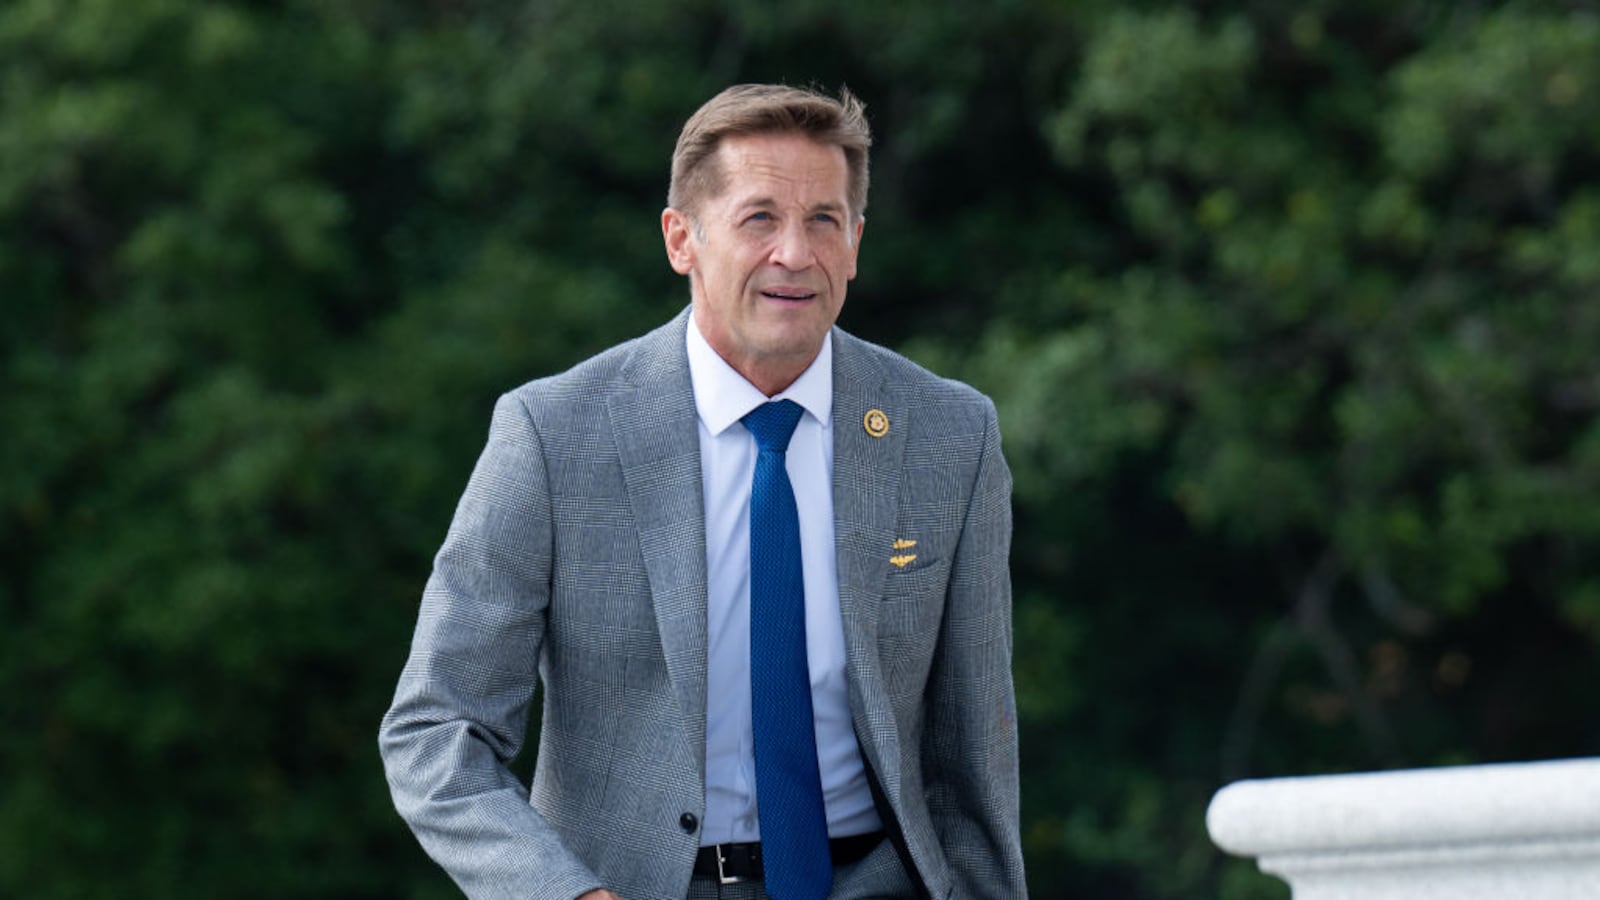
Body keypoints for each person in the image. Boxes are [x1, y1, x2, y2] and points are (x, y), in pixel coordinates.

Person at [379, 83, 1025, 900]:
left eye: (824, 220)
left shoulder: (948, 436)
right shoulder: (552, 436)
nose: (795, 253)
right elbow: (437, 732)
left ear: (856, 243)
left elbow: (976, 758)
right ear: (681, 239)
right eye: (759, 218)